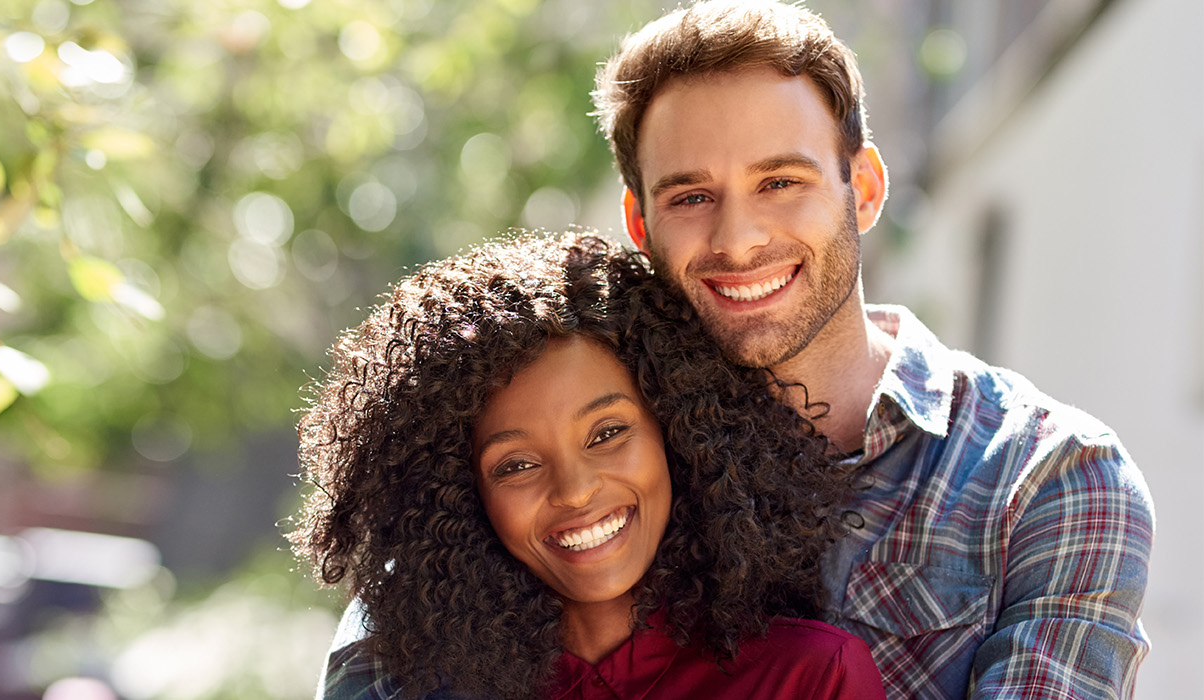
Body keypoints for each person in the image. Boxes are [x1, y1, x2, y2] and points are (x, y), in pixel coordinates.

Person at [316, 2, 1154, 699]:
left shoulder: (1046, 478)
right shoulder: (565, 457)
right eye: (692, 196)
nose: (738, 238)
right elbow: (383, 658)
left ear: (861, 189)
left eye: (780, 181)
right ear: (639, 225)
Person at [292, 232, 887, 699]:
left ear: (678, 433)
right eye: (517, 464)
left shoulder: (814, 678)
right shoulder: (409, 688)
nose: (575, 490)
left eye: (607, 433)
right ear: (463, 494)